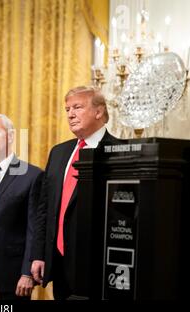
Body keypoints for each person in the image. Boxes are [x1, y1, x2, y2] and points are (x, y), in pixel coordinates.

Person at [30, 86, 118, 300]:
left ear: (99, 112)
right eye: (67, 109)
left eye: (77, 107)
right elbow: (44, 208)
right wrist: (39, 255)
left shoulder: (117, 151)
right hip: (58, 260)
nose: (70, 114)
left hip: (96, 265)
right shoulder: (59, 152)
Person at [0, 113, 43, 300]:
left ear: (10, 136)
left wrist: (27, 273)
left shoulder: (32, 176)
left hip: (12, 275)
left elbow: (35, 228)